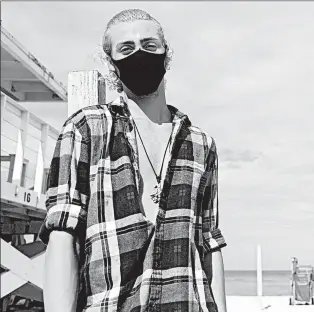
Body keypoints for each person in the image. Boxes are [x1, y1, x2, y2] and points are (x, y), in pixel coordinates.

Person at [39, 9, 227, 312]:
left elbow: (209, 243)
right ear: (112, 64)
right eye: (127, 48)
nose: (140, 53)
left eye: (150, 45)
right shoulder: (86, 130)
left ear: (166, 55)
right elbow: (62, 233)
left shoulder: (201, 144)